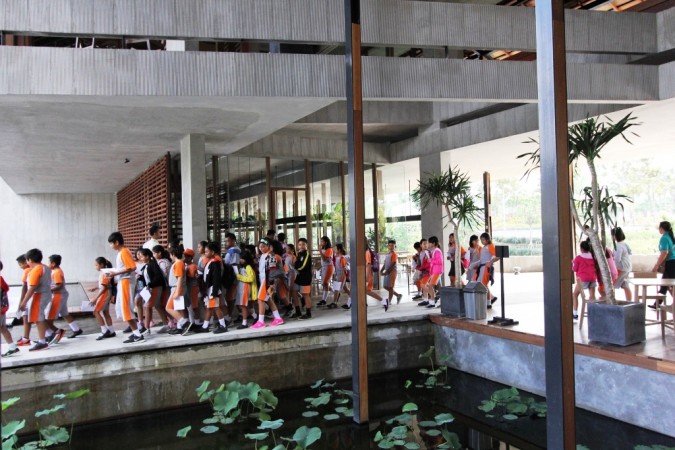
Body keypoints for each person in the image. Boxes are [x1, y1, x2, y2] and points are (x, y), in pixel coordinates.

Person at [106, 232, 143, 343]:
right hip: (124, 281)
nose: (111, 246)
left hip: (126, 282)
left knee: (126, 308)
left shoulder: (124, 252)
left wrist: (115, 273)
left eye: (111, 243)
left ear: (117, 242)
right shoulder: (122, 252)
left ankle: (137, 334)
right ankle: (135, 332)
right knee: (124, 308)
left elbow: (132, 267)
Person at [18, 248, 53, 351]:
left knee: (38, 318)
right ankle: (45, 337)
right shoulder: (45, 267)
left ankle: (42, 342)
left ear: (30, 260)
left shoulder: (36, 270)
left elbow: (32, 288)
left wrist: (23, 302)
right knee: (38, 317)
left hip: (39, 295)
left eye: (27, 260)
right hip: (46, 293)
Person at [45, 255, 82, 342]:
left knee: (49, 318)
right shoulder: (56, 271)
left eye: (48, 262)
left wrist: (49, 290)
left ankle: (51, 334)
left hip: (57, 296)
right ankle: (76, 329)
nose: (47, 264)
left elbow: (59, 285)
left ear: (53, 263)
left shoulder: (57, 272)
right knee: (65, 314)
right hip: (61, 295)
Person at [251, 238, 285, 328]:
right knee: (268, 299)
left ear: (268, 246)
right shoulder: (263, 255)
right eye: (260, 247)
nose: (261, 248)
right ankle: (278, 318)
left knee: (260, 299)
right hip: (264, 281)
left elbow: (272, 270)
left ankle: (261, 321)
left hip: (268, 281)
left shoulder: (271, 255)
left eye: (263, 246)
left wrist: (271, 283)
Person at [201, 242, 229, 333]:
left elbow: (216, 278)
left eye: (207, 251)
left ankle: (223, 325)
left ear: (212, 252)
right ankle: (205, 326)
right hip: (209, 289)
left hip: (213, 289)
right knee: (209, 308)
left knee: (216, 307)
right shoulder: (210, 262)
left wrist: (215, 291)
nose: (205, 253)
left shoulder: (216, 263)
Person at [89, 257, 116, 340]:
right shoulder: (105, 272)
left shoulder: (104, 273)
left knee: (96, 312)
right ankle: (111, 331)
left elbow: (104, 288)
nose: (95, 267)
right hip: (107, 293)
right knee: (105, 312)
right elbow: (104, 285)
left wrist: (95, 298)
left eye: (96, 265)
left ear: (101, 265)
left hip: (105, 294)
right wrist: (96, 288)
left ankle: (104, 330)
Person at [165, 247, 191, 335]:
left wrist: (177, 291)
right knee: (178, 308)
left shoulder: (178, 263)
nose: (170, 256)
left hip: (176, 288)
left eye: (170, 254)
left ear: (173, 254)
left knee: (168, 308)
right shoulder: (179, 263)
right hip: (177, 288)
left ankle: (184, 323)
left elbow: (179, 278)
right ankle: (180, 327)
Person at [651, 220, 675, 309]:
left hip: (671, 263)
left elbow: (664, 252)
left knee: (667, 283)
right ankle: (657, 303)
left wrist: (657, 265)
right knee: (666, 284)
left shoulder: (664, 238)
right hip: (672, 262)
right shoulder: (670, 236)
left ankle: (657, 303)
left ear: (661, 228)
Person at [572, 240, 597, 320]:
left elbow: (574, 269)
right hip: (592, 278)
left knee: (575, 294)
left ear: (581, 249)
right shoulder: (593, 257)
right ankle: (593, 313)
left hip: (582, 279)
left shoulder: (578, 258)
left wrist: (573, 263)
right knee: (592, 296)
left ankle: (575, 314)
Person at [1, 260, 19, 357]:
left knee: (2, 328)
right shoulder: (1, 280)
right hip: (2, 308)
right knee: (3, 328)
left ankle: (12, 347)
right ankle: (12, 347)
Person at [235, 250, 257, 329]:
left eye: (242, 258)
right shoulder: (244, 267)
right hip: (242, 288)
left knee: (243, 305)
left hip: (245, 288)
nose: (240, 260)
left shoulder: (248, 267)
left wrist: (239, 277)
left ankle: (244, 323)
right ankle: (255, 317)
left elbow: (250, 279)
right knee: (244, 305)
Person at [15, 255, 33, 347]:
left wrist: (21, 302)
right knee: (29, 318)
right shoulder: (34, 269)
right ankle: (26, 338)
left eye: (20, 264)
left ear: (25, 263)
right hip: (33, 297)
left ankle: (26, 339)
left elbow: (24, 287)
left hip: (28, 298)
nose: (20, 266)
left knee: (25, 317)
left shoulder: (27, 270)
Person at [420, 236, 443, 308]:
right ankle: (432, 302)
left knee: (430, 286)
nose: (428, 244)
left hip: (437, 271)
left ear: (433, 243)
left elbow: (440, 261)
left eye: (429, 243)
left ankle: (433, 302)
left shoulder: (437, 251)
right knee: (433, 286)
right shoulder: (434, 251)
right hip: (434, 271)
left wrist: (430, 260)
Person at [293, 238, 314, 317]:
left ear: (306, 246)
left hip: (305, 278)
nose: (301, 246)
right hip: (299, 277)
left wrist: (295, 265)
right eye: (300, 245)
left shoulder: (307, 255)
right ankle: (298, 311)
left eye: (303, 244)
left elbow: (302, 266)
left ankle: (308, 313)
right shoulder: (299, 254)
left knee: (305, 294)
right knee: (293, 291)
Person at [183, 249, 203, 330]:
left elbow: (192, 276)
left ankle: (197, 323)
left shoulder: (193, 266)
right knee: (189, 306)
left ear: (189, 257)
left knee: (194, 306)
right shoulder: (186, 265)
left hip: (193, 288)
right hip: (188, 288)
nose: (183, 258)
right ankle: (192, 322)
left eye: (184, 256)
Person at [477, 232, 499, 307]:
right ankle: (488, 302)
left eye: (483, 239)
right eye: (481, 240)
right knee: (483, 285)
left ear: (487, 239)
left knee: (483, 285)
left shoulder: (490, 246)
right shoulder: (485, 247)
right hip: (482, 267)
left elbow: (497, 256)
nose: (482, 241)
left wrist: (490, 262)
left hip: (486, 268)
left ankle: (488, 303)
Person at [612, 227, 632, 301]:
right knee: (625, 285)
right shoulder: (625, 244)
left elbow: (617, 259)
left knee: (611, 285)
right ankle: (629, 301)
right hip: (628, 266)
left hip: (621, 267)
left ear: (614, 236)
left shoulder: (617, 246)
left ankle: (612, 302)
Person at [381, 239, 402, 307]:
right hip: (387, 272)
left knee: (390, 287)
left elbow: (393, 264)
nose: (391, 247)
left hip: (392, 272)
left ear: (395, 246)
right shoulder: (387, 254)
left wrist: (387, 272)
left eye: (392, 245)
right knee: (385, 286)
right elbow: (385, 264)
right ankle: (398, 295)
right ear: (388, 246)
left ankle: (389, 302)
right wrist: (381, 270)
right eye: (389, 245)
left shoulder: (394, 254)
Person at [329, 243, 349, 309]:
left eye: (335, 248)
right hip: (339, 275)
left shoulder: (342, 258)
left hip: (342, 276)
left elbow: (343, 270)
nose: (334, 249)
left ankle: (334, 303)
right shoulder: (337, 257)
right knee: (345, 289)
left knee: (336, 289)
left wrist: (341, 278)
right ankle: (354, 299)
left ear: (339, 250)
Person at [317, 236, 335, 307]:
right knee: (324, 284)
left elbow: (325, 259)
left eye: (322, 241)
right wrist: (320, 267)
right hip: (324, 267)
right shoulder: (323, 249)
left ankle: (324, 300)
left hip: (329, 267)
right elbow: (322, 261)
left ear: (326, 242)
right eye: (320, 241)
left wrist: (320, 251)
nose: (321, 243)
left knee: (325, 283)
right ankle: (335, 292)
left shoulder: (329, 249)